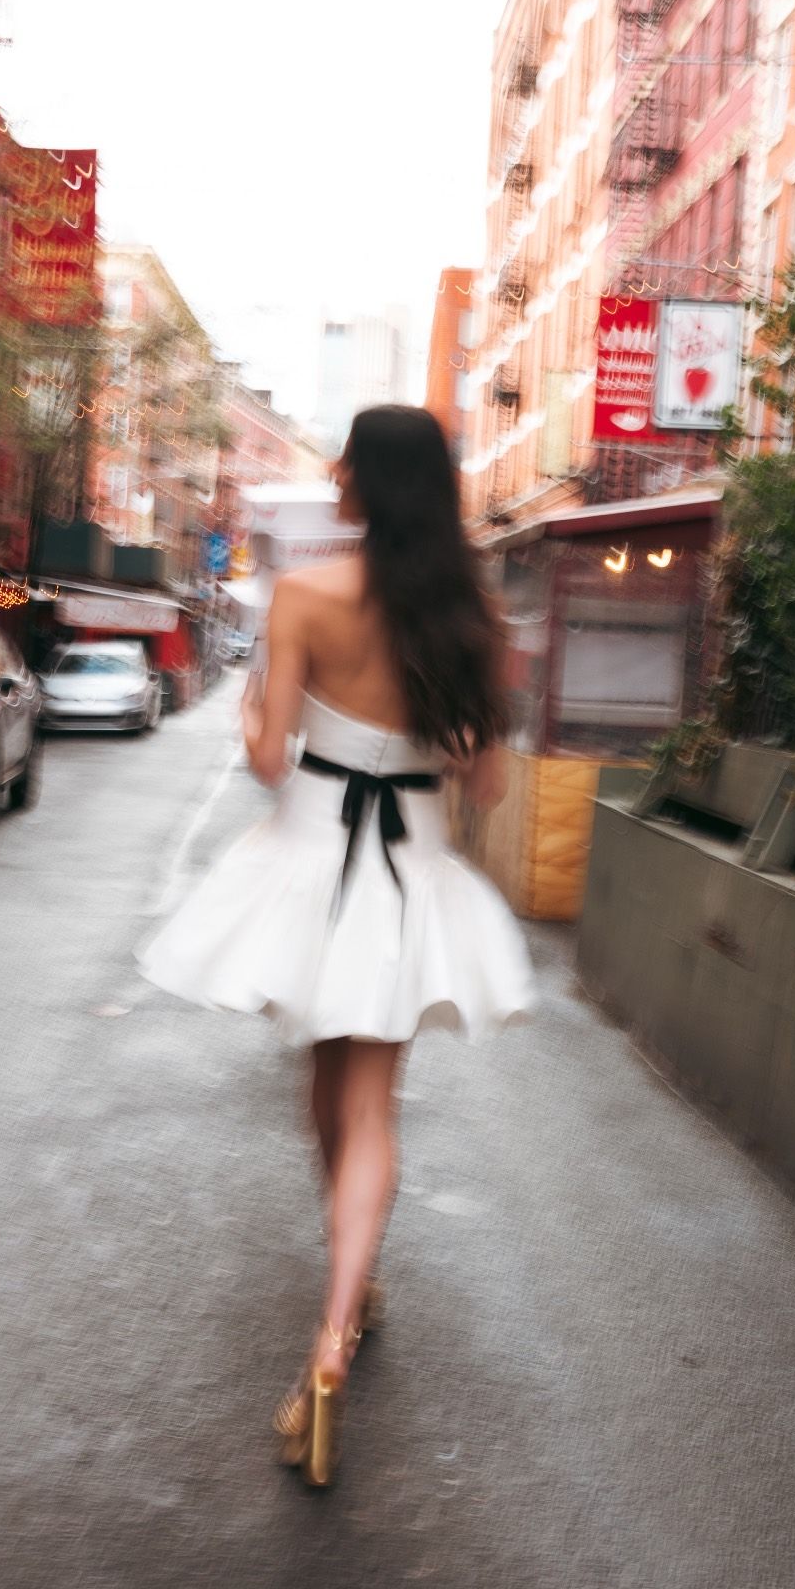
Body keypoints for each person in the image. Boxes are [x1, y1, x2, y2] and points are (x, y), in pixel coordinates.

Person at [137, 405, 534, 1487]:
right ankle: (336, 1326)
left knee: (326, 1092)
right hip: (410, 868)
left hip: (310, 860)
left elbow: (268, 761)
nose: (329, 471)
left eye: (342, 460)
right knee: (373, 1108)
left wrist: (257, 721)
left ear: (366, 481)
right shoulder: (473, 615)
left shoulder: (304, 595)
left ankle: (342, 1308)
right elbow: (488, 782)